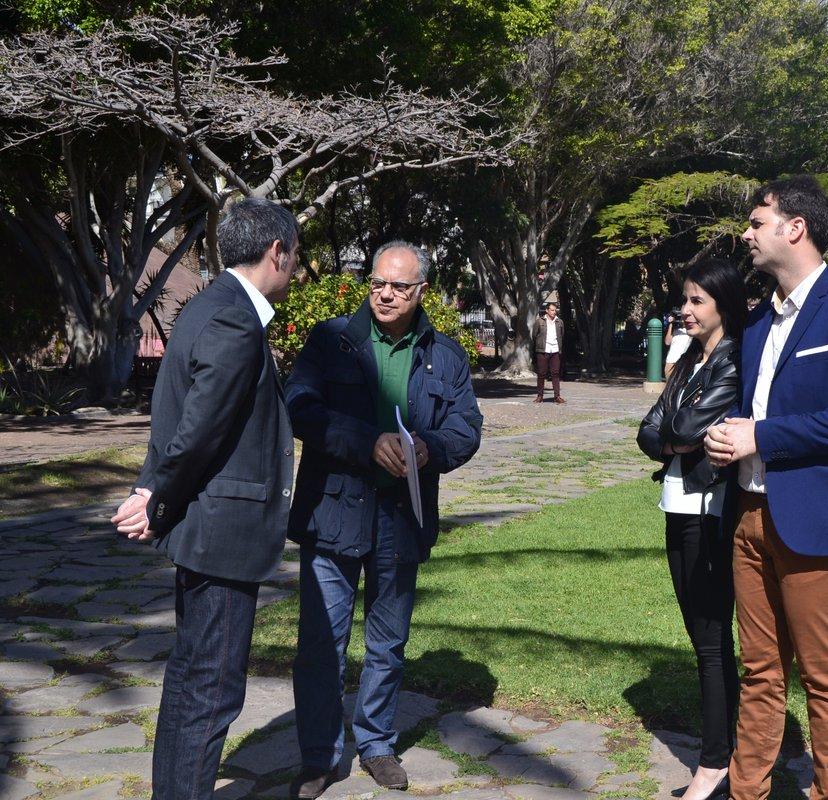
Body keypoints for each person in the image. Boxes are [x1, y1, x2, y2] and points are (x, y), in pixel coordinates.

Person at [704, 176, 828, 800]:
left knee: (823, 675)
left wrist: (764, 436)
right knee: (759, 673)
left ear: (796, 228)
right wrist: (723, 439)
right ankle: (747, 789)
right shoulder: (758, 322)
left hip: (816, 521)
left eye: (757, 222)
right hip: (750, 516)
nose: (746, 233)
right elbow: (752, 408)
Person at [111, 198, 299, 800]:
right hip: (222, 534)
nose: (295, 268)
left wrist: (153, 490)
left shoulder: (205, 308)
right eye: (294, 257)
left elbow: (177, 422)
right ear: (277, 251)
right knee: (212, 689)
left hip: (205, 526)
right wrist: (157, 496)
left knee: (192, 679)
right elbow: (198, 428)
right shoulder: (234, 320)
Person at [285, 240, 483, 798]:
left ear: (422, 291)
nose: (387, 294)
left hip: (401, 517)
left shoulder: (445, 354)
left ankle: (375, 743)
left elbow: (468, 427)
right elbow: (298, 405)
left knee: (388, 643)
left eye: (400, 286)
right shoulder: (331, 341)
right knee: (322, 644)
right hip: (333, 513)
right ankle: (319, 757)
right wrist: (366, 442)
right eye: (378, 284)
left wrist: (429, 448)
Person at [637, 259, 745, 800]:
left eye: (697, 301)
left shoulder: (732, 359)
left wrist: (677, 434)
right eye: (685, 299)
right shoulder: (688, 363)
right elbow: (649, 431)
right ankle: (728, 751)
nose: (685, 309)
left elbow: (677, 426)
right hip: (677, 506)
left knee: (709, 640)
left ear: (724, 305)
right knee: (706, 639)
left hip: (710, 510)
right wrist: (677, 436)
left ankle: (713, 765)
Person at [532, 302, 565, 403]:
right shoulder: (540, 321)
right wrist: (539, 345)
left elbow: (562, 335)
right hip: (543, 350)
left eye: (555, 310)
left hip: (555, 350)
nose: (554, 312)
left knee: (555, 373)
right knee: (541, 373)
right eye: (552, 310)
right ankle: (540, 396)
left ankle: (557, 396)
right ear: (547, 310)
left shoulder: (559, 322)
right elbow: (534, 335)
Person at [665, 311, 693, 378]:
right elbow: (667, 342)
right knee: (669, 385)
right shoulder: (675, 330)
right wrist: (671, 324)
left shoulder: (691, 331)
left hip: (684, 363)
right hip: (671, 362)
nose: (681, 320)